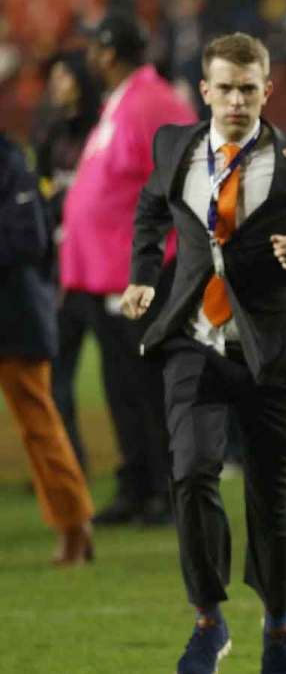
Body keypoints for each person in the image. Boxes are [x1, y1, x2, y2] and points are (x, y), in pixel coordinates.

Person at [120, 32, 286, 674]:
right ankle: (208, 619)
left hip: (270, 352)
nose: (235, 101)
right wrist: (144, 275)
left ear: (267, 90)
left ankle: (278, 624)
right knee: (192, 473)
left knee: (270, 498)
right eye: (224, 88)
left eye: (248, 89)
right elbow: (150, 210)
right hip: (193, 341)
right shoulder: (173, 147)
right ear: (204, 90)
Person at [58, 12, 197, 526]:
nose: (89, 57)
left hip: (140, 274)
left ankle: (167, 491)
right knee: (123, 386)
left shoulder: (152, 103)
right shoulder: (125, 101)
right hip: (107, 275)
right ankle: (137, 484)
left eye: (95, 48)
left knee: (149, 386)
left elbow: (187, 180)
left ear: (110, 52)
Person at [0, 133, 96, 566]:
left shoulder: (10, 165)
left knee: (37, 424)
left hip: (14, 315)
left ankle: (74, 524)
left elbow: (28, 239)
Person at [33, 49, 102, 474]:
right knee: (56, 373)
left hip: (104, 271)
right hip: (64, 270)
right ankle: (68, 463)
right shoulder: (52, 132)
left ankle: (150, 468)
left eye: (64, 77)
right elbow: (43, 190)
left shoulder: (102, 130)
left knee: (129, 375)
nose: (56, 85)